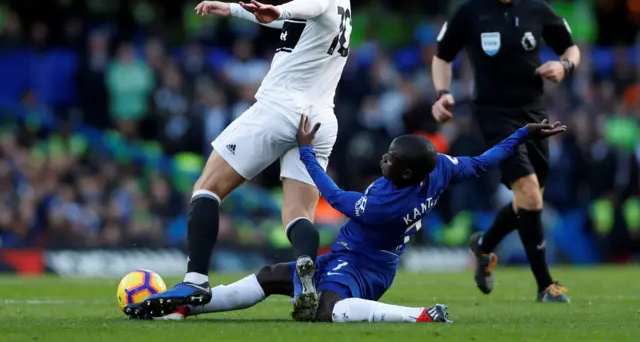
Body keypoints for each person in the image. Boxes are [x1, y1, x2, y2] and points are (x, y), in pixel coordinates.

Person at [124, 115, 567, 322]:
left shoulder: (383, 204)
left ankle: (419, 315)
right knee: (272, 275)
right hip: (372, 261)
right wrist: (523, 135)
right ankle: (187, 307)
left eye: (391, 157)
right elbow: (485, 161)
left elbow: (333, 196)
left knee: (322, 311)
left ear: (407, 172)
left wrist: (304, 153)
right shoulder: (442, 170)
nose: (384, 157)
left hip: (359, 263)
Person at [133, 0, 353, 321]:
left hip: (280, 109)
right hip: (320, 120)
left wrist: (282, 8)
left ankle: (196, 280)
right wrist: (233, 9)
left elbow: (304, 7)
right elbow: (293, 18)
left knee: (207, 188)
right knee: (298, 215)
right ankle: (306, 271)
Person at [431, 0, 580, 303]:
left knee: (529, 200)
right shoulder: (470, 11)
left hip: (535, 114)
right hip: (494, 115)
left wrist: (564, 66)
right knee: (528, 192)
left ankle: (484, 244)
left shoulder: (537, 9)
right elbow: (442, 56)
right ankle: (546, 285)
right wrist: (442, 94)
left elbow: (571, 49)